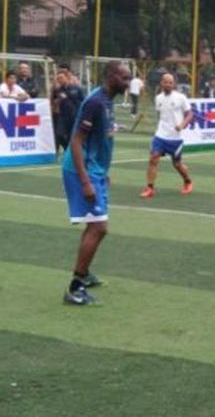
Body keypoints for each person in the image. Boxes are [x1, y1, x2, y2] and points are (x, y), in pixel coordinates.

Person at [61, 61, 131, 305]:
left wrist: (103, 173)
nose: (128, 82)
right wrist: (86, 182)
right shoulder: (95, 102)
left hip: (96, 171)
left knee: (94, 226)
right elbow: (76, 142)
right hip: (82, 171)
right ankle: (75, 287)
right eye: (124, 77)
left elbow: (100, 142)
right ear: (111, 76)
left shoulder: (107, 100)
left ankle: (84, 274)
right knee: (99, 228)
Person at [140, 73, 194, 198]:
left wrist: (182, 125)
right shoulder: (158, 98)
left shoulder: (180, 97)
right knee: (153, 158)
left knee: (177, 164)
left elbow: (190, 114)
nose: (168, 84)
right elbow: (161, 116)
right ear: (161, 83)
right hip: (160, 135)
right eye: (165, 82)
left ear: (174, 84)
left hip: (175, 138)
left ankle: (187, 181)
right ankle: (150, 188)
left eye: (170, 82)